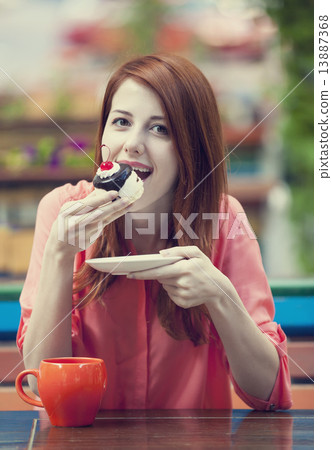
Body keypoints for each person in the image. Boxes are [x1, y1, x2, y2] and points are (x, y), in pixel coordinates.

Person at [17, 53, 292, 410]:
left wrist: (221, 299)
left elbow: (269, 395)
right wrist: (59, 255)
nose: (132, 143)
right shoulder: (61, 211)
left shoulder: (224, 219)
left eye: (160, 128)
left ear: (191, 149)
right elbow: (39, 384)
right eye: (121, 122)